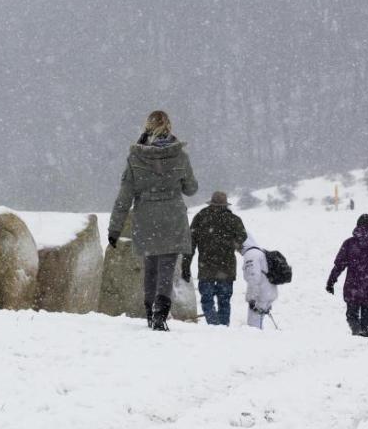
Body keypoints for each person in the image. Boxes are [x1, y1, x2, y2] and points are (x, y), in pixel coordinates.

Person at [107, 110, 199, 332]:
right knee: (167, 266)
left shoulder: (136, 158)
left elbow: (124, 197)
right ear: (169, 127)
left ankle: (150, 312)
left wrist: (115, 228)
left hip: (147, 218)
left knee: (150, 266)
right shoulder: (180, 156)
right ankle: (161, 311)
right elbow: (191, 188)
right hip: (173, 217)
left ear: (147, 127)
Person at [182, 191, 247, 326]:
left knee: (207, 299)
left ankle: (213, 326)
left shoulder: (201, 217)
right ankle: (222, 326)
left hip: (206, 267)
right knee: (224, 300)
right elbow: (242, 237)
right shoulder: (234, 220)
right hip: (226, 267)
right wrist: (231, 244)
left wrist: (186, 265)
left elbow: (190, 243)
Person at [326, 214, 368, 337]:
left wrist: (331, 281)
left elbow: (339, 265)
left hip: (353, 285)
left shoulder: (349, 243)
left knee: (351, 315)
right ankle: (365, 339)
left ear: (357, 225)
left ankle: (356, 329)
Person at [241, 233, 278, 330]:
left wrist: (251, 299)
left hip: (260, 295)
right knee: (258, 325)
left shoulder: (251, 255)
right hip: (269, 291)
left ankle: (256, 343)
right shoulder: (260, 252)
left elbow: (254, 278)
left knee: (254, 327)